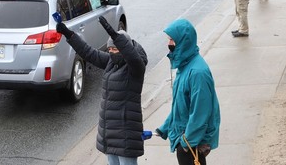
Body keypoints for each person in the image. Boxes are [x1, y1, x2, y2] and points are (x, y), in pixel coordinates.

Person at [56, 16, 148, 165]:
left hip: (126, 133)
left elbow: (133, 58)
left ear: (124, 48)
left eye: (115, 49)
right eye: (109, 49)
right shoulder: (112, 62)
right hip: (110, 131)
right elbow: (88, 53)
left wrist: (115, 36)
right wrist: (69, 34)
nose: (111, 52)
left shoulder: (135, 68)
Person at [155, 18, 220, 165]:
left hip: (192, 141)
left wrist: (186, 142)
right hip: (186, 138)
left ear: (183, 41)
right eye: (168, 39)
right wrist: (164, 128)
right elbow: (180, 106)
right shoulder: (185, 66)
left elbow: (200, 112)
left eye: (172, 39)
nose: (169, 44)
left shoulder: (197, 72)